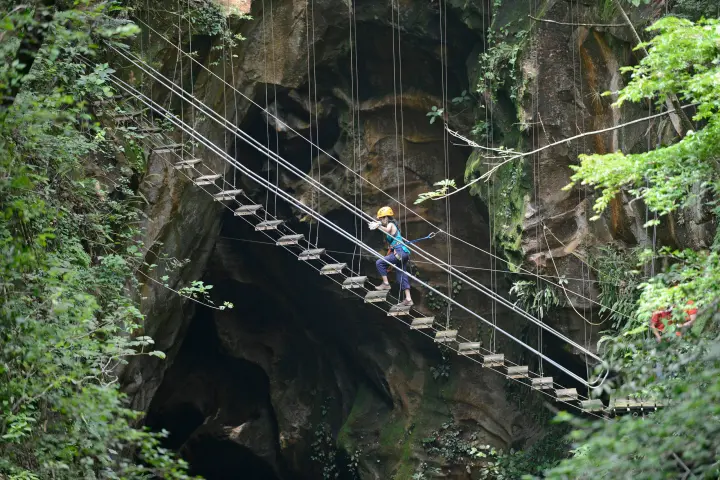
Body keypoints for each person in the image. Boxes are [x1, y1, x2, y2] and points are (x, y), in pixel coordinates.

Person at [368, 206, 413, 306]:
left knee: (379, 263)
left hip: (401, 252)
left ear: (387, 217)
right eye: (381, 218)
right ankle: (408, 299)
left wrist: (378, 226)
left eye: (383, 218)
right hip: (402, 253)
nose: (382, 220)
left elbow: (387, 230)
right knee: (401, 275)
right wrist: (379, 224)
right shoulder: (391, 226)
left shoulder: (391, 225)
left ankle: (386, 284)